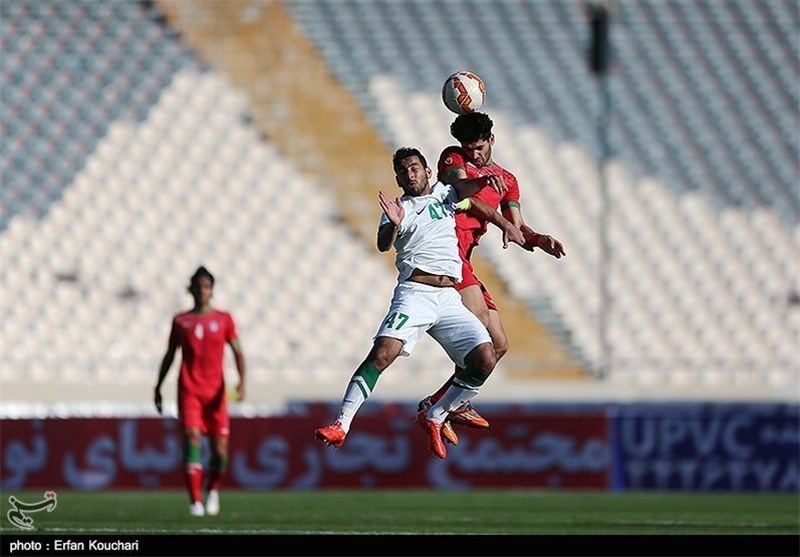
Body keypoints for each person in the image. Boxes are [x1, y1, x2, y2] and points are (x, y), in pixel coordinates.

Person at [314, 147, 525, 459]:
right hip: (415, 293)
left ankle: (436, 414)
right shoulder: (400, 208)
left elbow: (468, 195)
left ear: (428, 172)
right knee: (383, 352)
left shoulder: (446, 195)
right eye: (403, 171)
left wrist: (499, 211)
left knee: (486, 357)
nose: (409, 174)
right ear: (398, 178)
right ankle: (341, 425)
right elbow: (383, 242)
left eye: (414, 167)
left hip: (449, 297)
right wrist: (395, 223)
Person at [418, 111, 566, 438]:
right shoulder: (452, 158)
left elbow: (518, 228)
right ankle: (442, 410)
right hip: (445, 254)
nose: (474, 153)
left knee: (499, 344)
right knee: (479, 326)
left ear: (492, 140)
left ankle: (441, 402)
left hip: (465, 260)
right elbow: (460, 187)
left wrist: (541, 240)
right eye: (469, 148)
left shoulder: (508, 180)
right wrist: (481, 178)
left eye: (480, 147)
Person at [154, 266, 246, 517]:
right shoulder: (181, 321)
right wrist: (158, 386)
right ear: (191, 289)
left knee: (220, 451)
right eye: (197, 286)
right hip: (189, 390)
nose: (201, 291)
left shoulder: (224, 319)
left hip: (216, 393)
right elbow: (170, 355)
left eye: (206, 286)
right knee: (192, 439)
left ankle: (212, 489)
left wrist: (241, 382)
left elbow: (238, 352)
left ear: (212, 290)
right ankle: (195, 501)